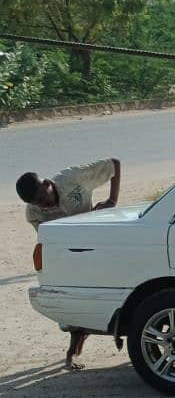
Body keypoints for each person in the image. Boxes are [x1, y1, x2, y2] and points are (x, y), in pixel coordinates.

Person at [16, 158, 121, 370]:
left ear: (46, 184)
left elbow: (114, 165)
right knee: (76, 304)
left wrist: (112, 200)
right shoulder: (34, 213)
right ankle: (72, 353)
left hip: (100, 242)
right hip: (71, 255)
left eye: (41, 198)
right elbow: (50, 243)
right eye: (35, 203)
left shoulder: (72, 178)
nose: (42, 205)